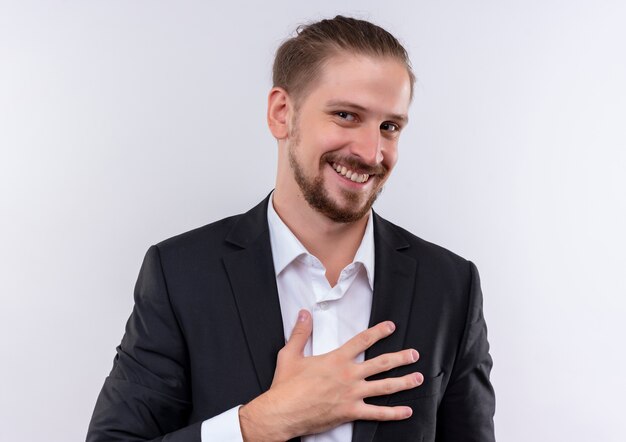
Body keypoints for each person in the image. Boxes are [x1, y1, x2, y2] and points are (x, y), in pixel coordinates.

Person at [87, 15, 495, 442]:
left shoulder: (451, 285)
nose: (372, 152)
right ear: (282, 113)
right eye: (346, 115)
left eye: (389, 127)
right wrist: (257, 424)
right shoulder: (181, 274)